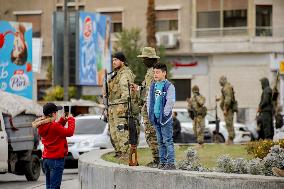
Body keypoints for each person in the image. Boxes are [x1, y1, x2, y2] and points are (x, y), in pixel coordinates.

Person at [32, 103, 75, 189]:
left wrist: (63, 120)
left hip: (46, 160)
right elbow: (69, 132)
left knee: (49, 186)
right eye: (57, 112)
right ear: (53, 114)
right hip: (56, 160)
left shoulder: (43, 126)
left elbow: (55, 130)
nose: (58, 114)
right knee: (55, 187)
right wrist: (71, 119)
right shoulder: (54, 126)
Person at [131, 47, 160, 167]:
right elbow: (144, 89)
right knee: (149, 134)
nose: (142, 61)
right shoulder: (149, 72)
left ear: (150, 59)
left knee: (152, 133)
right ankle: (157, 158)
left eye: (144, 59)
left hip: (152, 108)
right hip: (148, 107)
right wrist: (137, 87)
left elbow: (155, 90)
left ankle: (158, 159)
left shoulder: (155, 72)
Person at [108, 52, 139, 160]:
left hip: (120, 107)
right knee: (113, 131)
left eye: (116, 60)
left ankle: (125, 153)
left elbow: (126, 93)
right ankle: (118, 152)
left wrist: (122, 105)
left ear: (122, 61)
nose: (114, 62)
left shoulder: (125, 74)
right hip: (113, 106)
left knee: (121, 130)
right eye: (113, 60)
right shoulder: (115, 74)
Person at [147, 63, 176, 170]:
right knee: (159, 141)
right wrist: (150, 113)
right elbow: (149, 100)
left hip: (165, 119)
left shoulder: (169, 86)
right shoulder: (153, 86)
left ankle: (171, 162)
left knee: (167, 140)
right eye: (154, 72)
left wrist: (164, 114)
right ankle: (163, 162)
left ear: (164, 73)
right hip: (155, 118)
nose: (155, 74)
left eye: (158, 72)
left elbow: (171, 101)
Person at [219, 76, 237, 145]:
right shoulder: (226, 87)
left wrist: (225, 109)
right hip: (228, 109)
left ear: (223, 80)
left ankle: (230, 140)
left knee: (229, 123)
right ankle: (230, 139)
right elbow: (224, 97)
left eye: (220, 81)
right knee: (228, 123)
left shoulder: (226, 88)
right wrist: (219, 99)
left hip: (229, 109)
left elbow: (228, 99)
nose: (219, 82)